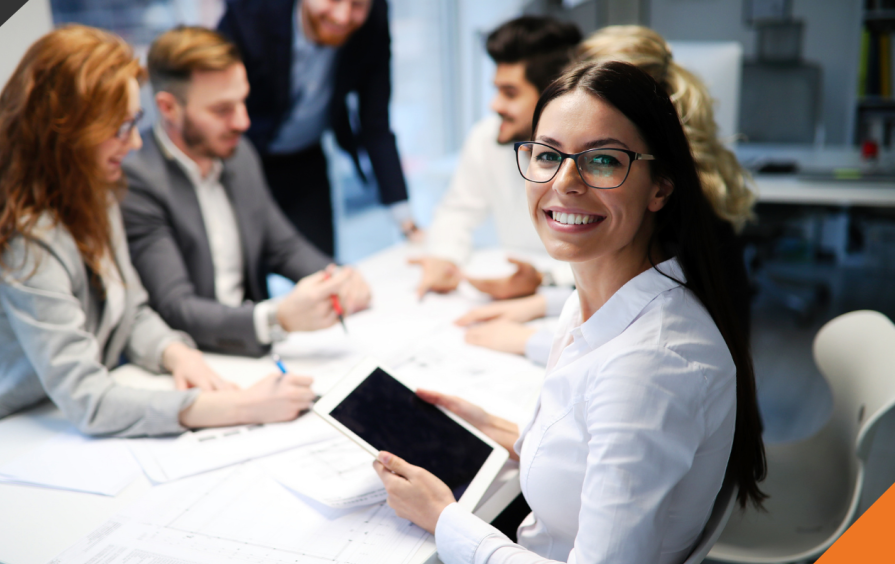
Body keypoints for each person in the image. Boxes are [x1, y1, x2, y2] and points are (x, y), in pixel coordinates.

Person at [372, 61, 767, 564]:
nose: (565, 182)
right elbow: (598, 454)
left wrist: (445, 520)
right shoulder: (600, 304)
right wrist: (502, 432)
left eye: (603, 160)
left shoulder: (649, 366)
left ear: (661, 187)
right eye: (548, 154)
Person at [0, 25, 315, 437]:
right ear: (68, 132)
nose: (135, 144)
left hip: (71, 425)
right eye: (120, 128)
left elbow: (133, 310)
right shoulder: (25, 241)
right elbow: (89, 400)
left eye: (133, 123)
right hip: (14, 441)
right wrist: (240, 406)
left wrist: (174, 351)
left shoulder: (96, 194)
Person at [459, 25, 756, 364]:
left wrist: (528, 340)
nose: (565, 183)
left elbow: (646, 327)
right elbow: (626, 294)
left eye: (602, 159)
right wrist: (539, 300)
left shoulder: (678, 208)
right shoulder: (671, 194)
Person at [121, 26, 370, 358]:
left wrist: (338, 277)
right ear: (168, 108)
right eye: (222, 110)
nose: (242, 121)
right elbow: (176, 308)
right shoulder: (138, 181)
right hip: (192, 359)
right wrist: (277, 318)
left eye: (243, 102)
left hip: (253, 352)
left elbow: (283, 246)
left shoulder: (239, 155)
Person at [217, 0, 415, 259]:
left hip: (306, 161)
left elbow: (376, 124)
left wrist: (407, 222)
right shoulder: (252, 12)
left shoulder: (373, 18)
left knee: (323, 270)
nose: (343, 17)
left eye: (357, 5)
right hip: (240, 159)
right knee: (248, 272)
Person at [412, 16, 580, 302]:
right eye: (497, 89)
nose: (495, 104)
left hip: (574, 297)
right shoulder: (486, 137)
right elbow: (457, 211)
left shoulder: (589, 155)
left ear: (552, 95)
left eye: (510, 93)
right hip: (513, 290)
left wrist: (545, 281)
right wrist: (444, 257)